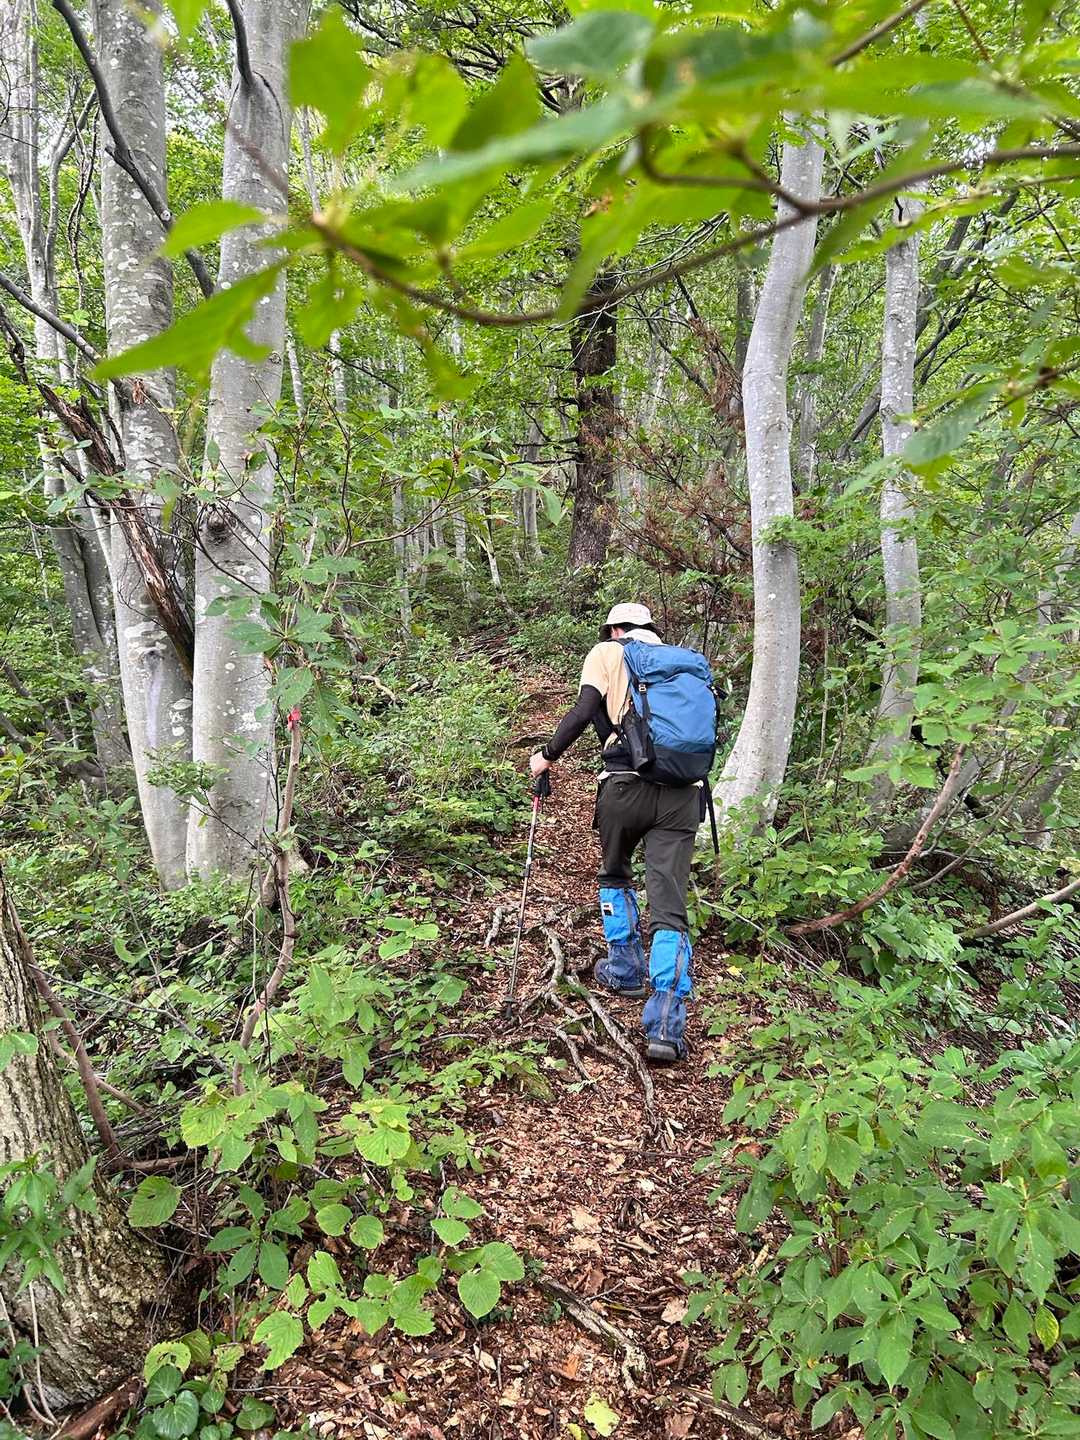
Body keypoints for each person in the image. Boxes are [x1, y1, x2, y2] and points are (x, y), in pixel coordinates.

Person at [529, 602, 697, 1065]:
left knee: (615, 873)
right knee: (670, 906)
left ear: (616, 629)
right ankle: (665, 1025)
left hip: (624, 784)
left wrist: (547, 755)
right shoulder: (683, 662)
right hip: (683, 793)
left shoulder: (607, 652)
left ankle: (625, 968)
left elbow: (585, 710)